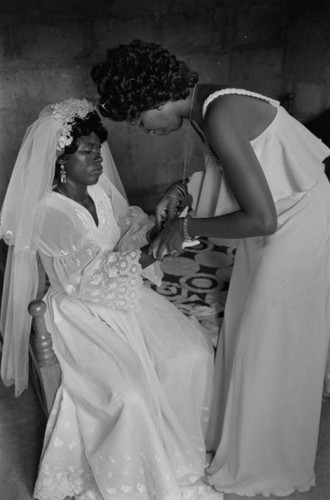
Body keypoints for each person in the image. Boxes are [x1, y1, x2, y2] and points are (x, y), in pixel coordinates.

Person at [91, 39, 330, 497]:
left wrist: (186, 228)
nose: (145, 129)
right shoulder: (206, 105)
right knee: (245, 329)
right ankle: (237, 442)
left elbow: (262, 216)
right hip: (279, 220)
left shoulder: (218, 114)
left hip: (293, 224)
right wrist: (180, 192)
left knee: (271, 338)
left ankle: (269, 464)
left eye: (140, 119)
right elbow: (241, 170)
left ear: (156, 99)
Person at [0, 98, 223, 500]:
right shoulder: (49, 212)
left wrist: (156, 226)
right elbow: (90, 280)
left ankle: (184, 455)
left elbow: (122, 237)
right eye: (86, 153)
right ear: (59, 161)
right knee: (129, 394)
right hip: (80, 311)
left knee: (191, 353)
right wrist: (155, 250)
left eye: (98, 151)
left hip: (123, 296)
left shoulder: (98, 192)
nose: (98, 161)